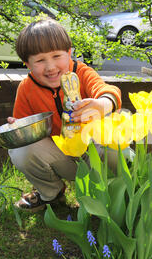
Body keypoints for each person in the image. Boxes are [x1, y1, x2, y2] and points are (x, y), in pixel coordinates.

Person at [8, 18, 122, 212]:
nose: (50, 67)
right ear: (27, 64)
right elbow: (25, 128)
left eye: (56, 56)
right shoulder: (27, 89)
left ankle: (118, 190)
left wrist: (103, 103)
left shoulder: (82, 73)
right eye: (40, 60)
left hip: (95, 155)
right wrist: (19, 129)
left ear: (69, 53)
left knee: (115, 143)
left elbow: (108, 91)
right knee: (20, 149)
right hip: (62, 158)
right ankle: (51, 193)